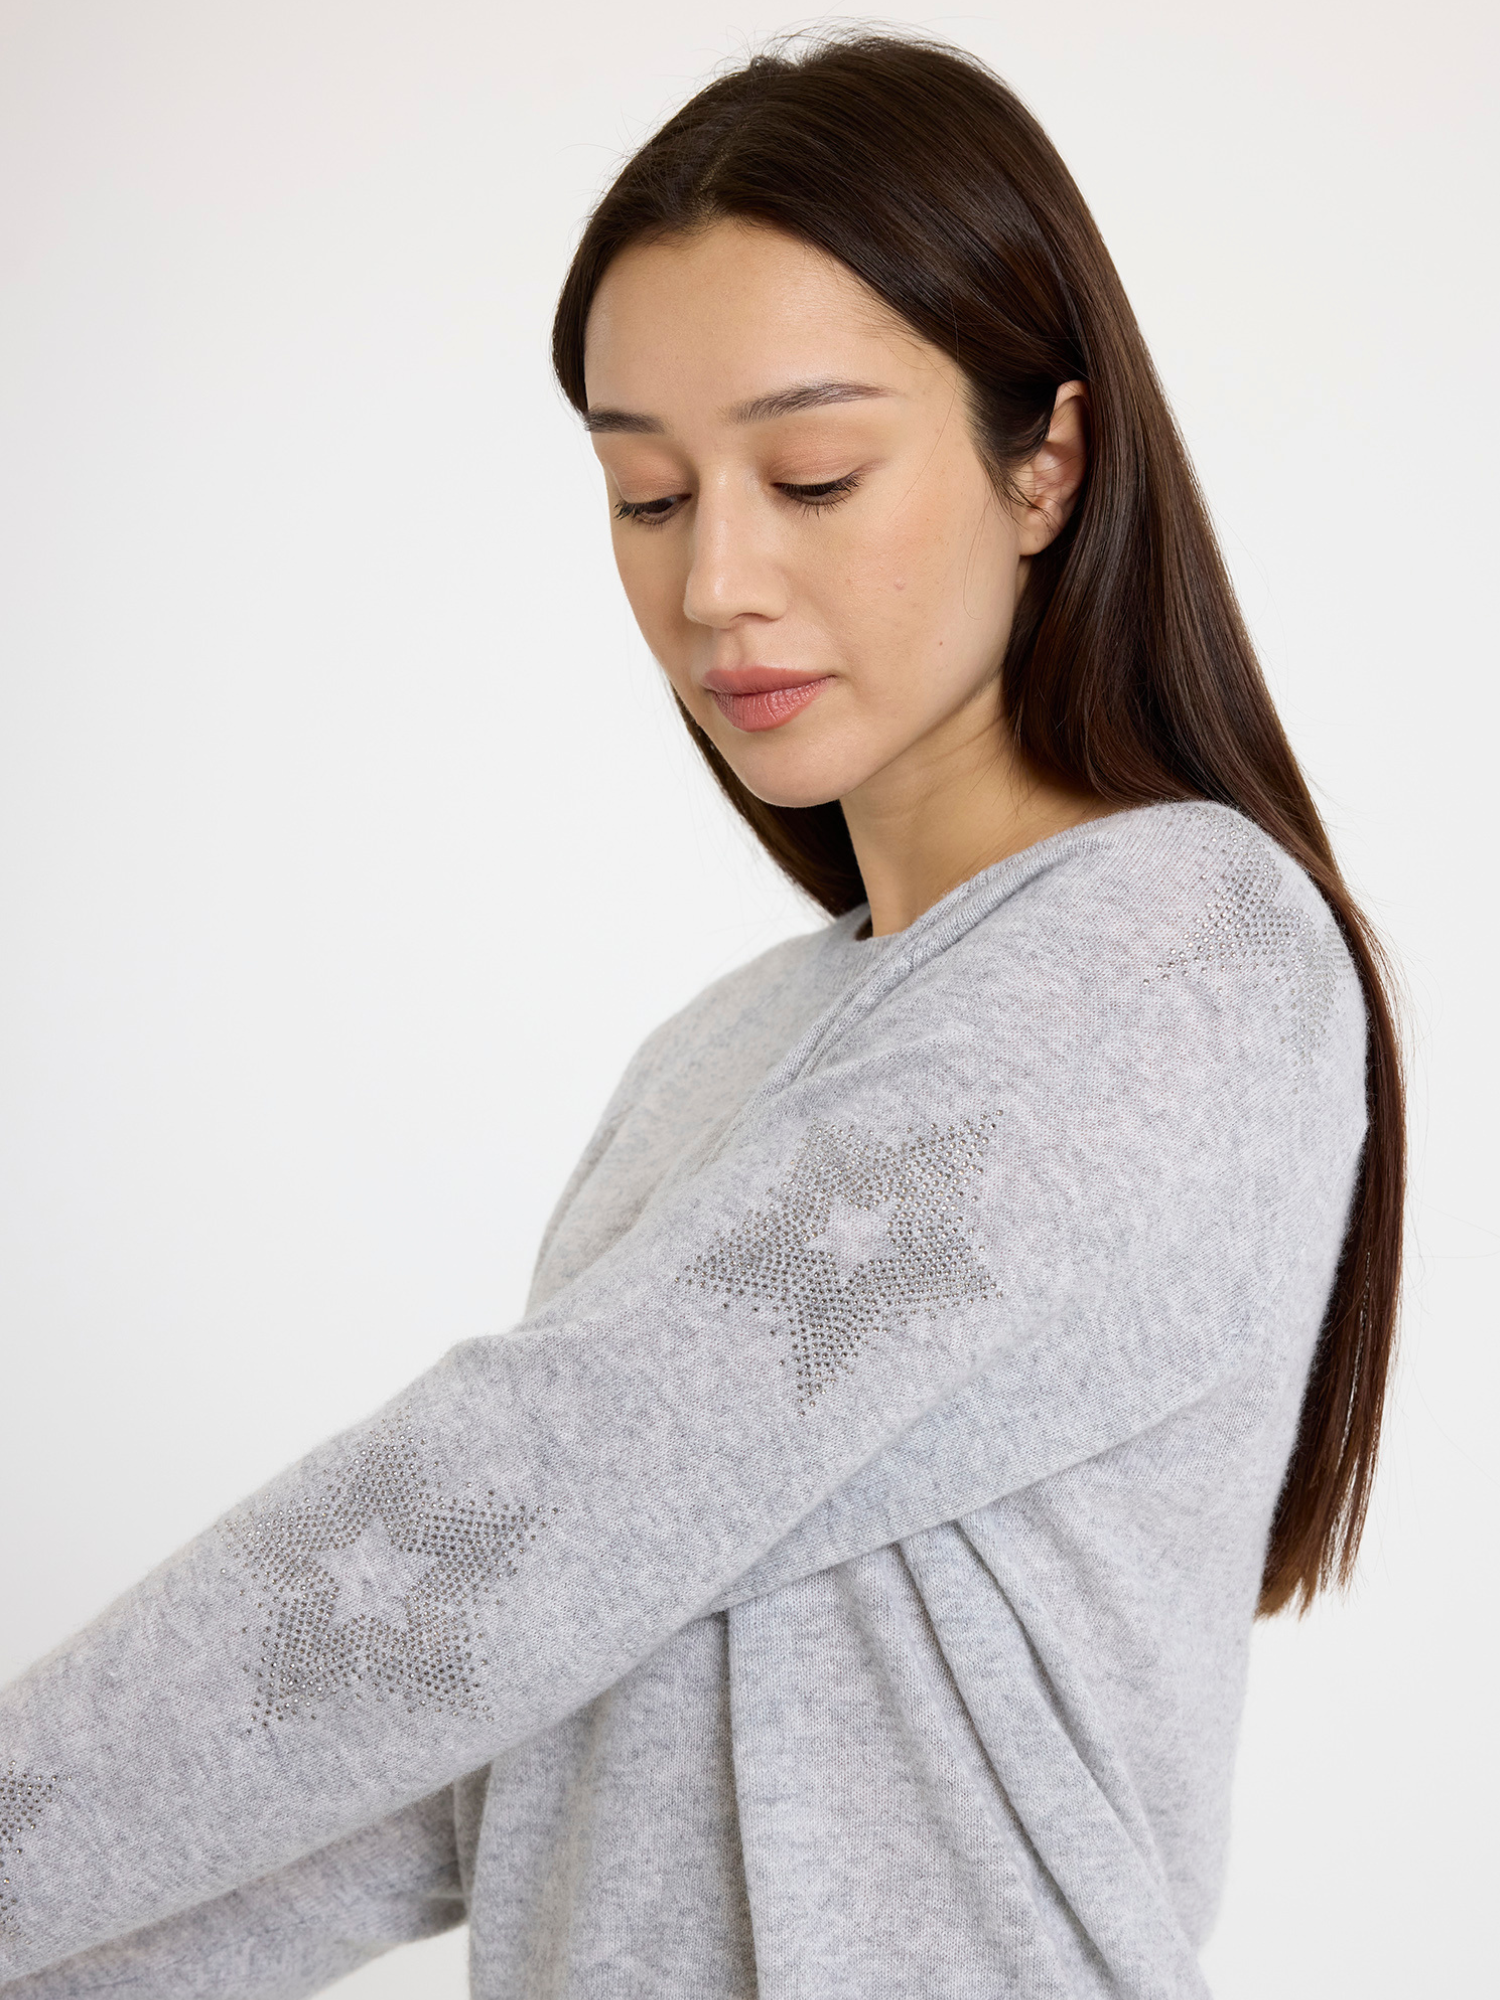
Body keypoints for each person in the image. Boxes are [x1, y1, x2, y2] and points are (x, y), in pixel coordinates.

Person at [0, 30, 1402, 2000]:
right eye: (647, 495)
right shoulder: (718, 1059)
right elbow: (470, 1728)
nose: (717, 582)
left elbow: (539, 1498)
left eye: (813, 476)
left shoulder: (1182, 953)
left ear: (1049, 462)